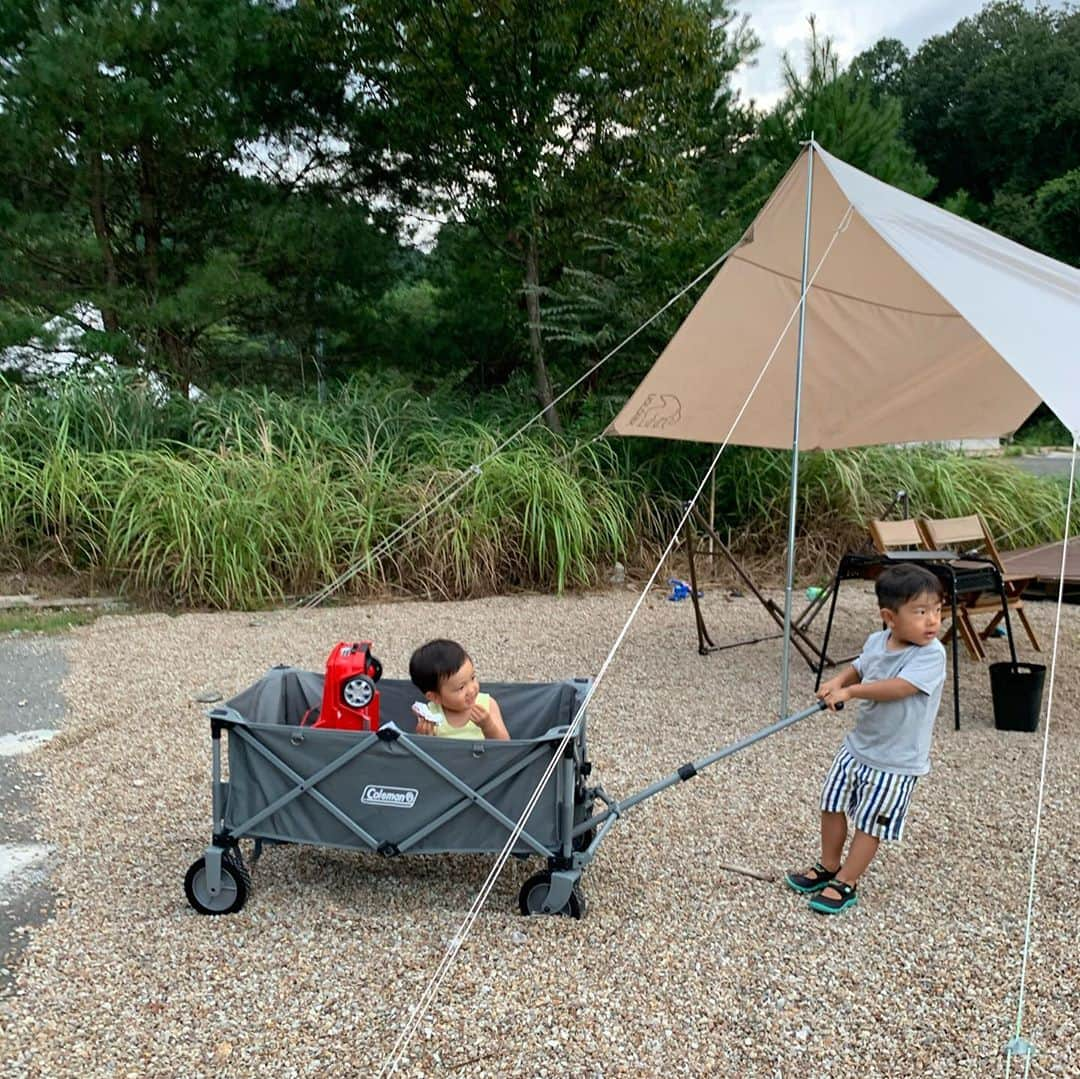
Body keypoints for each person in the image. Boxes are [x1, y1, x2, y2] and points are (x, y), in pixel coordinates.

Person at [785, 563, 946, 914]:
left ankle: (847, 881)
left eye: (937, 610)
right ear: (890, 617)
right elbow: (861, 664)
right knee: (830, 803)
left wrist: (852, 692)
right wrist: (839, 682)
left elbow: (899, 688)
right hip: (858, 748)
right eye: (921, 612)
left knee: (870, 823)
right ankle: (828, 865)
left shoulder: (931, 655)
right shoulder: (878, 640)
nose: (933, 620)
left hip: (896, 762)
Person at [408, 638, 510, 740]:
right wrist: (425, 738)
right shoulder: (431, 716)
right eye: (461, 687)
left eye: (472, 678)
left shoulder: (487, 705)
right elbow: (424, 753)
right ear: (435, 697)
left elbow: (506, 746)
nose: (471, 689)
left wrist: (488, 726)